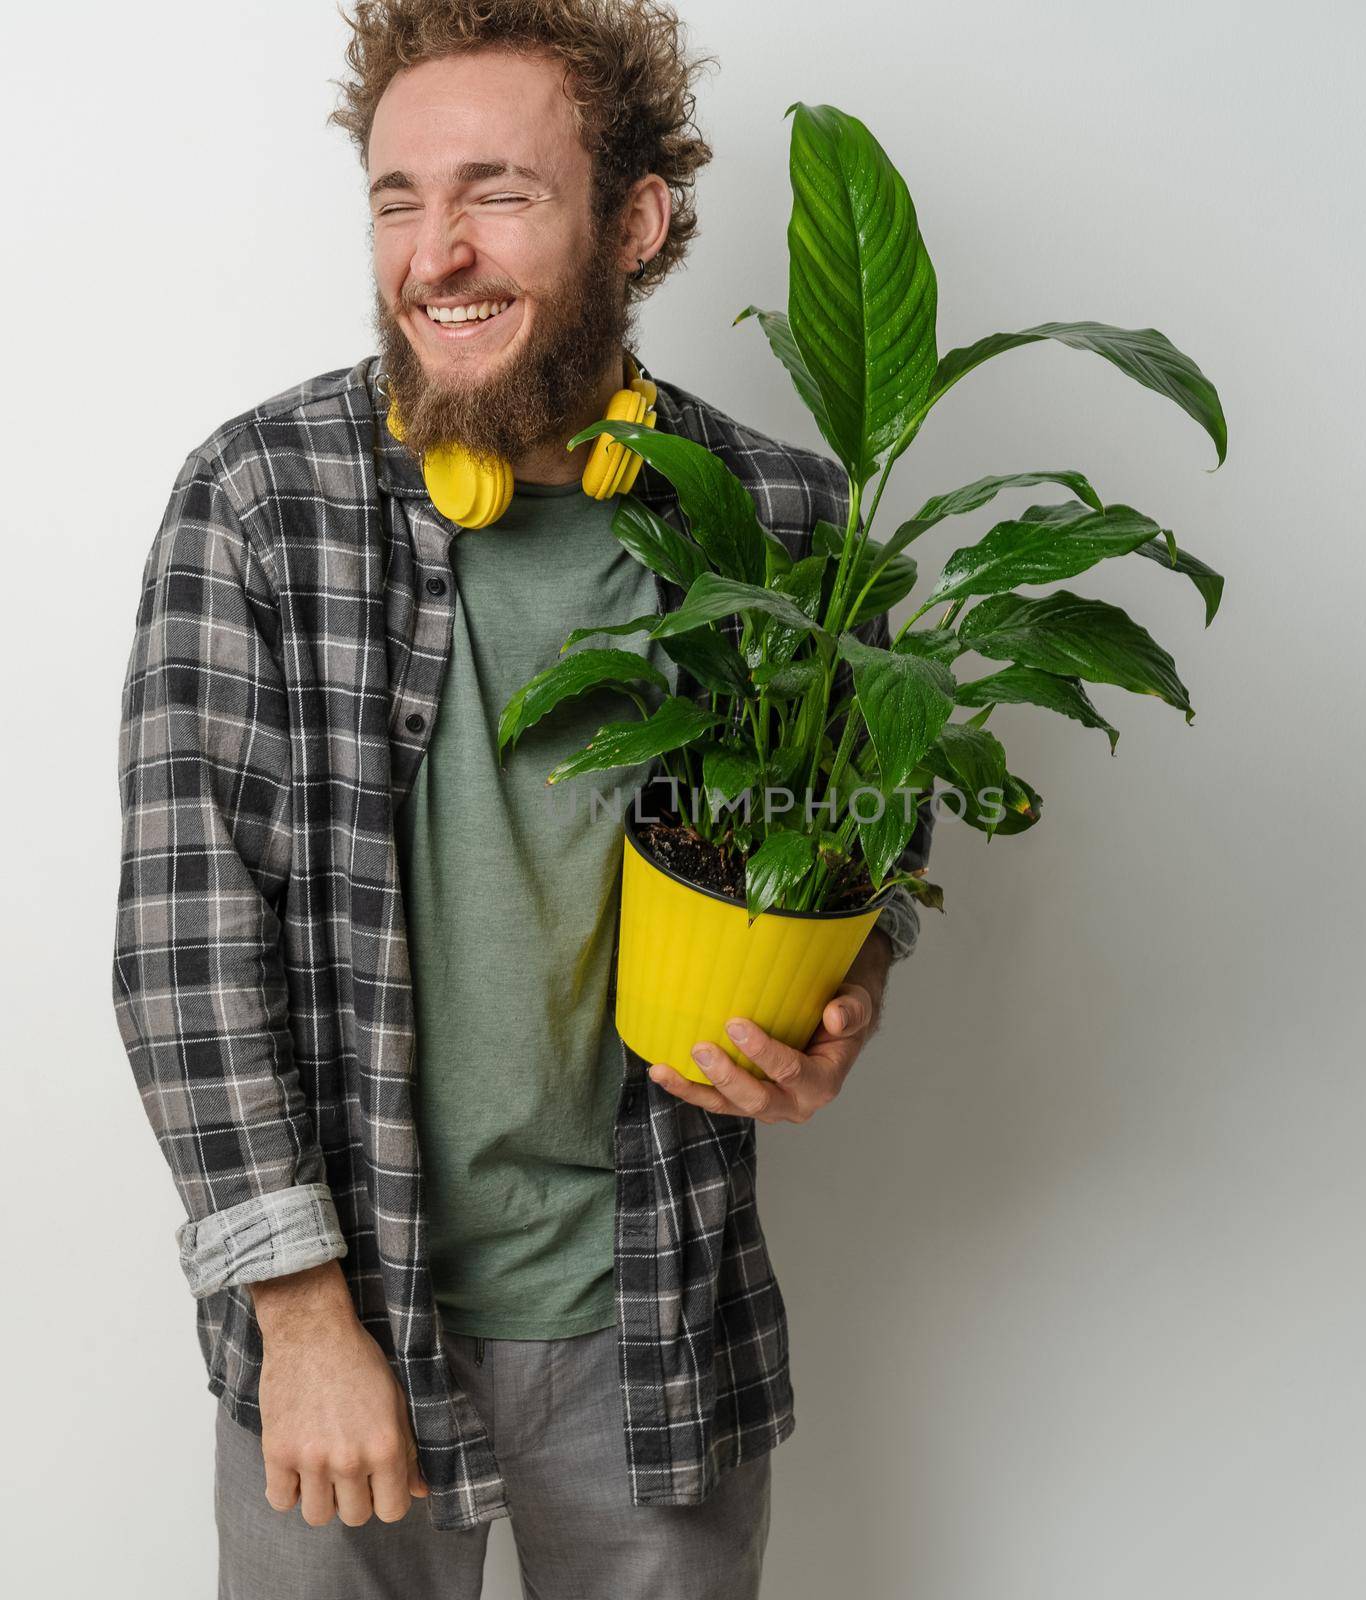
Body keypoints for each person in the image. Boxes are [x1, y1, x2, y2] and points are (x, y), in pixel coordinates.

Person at [112, 3, 932, 1595]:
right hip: (344, 1322)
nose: (436, 253)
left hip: (661, 1328)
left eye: (497, 192)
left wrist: (852, 990)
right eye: (399, 199)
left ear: (634, 219)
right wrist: (299, 1316)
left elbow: (874, 837)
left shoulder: (782, 515)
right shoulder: (259, 501)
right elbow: (183, 946)